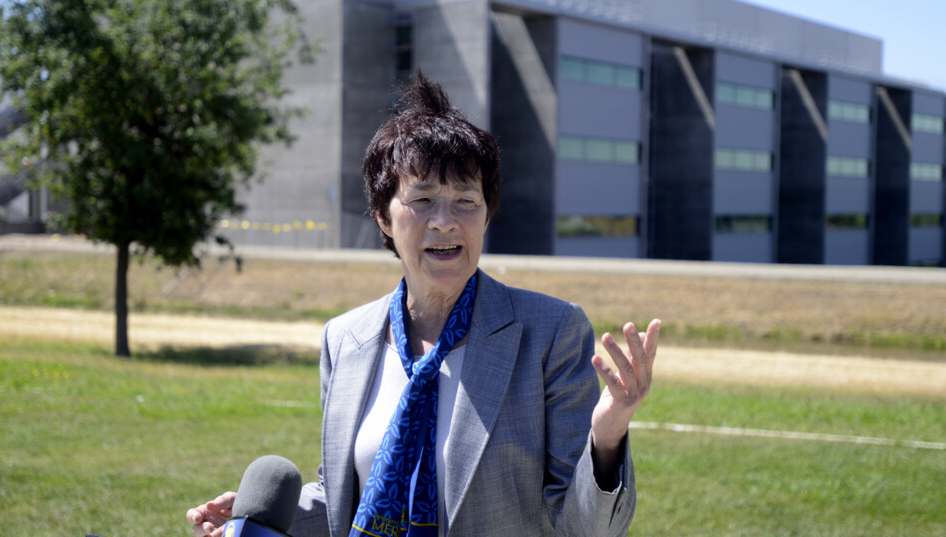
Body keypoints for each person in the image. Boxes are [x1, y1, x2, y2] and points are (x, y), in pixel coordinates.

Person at [188, 72, 661, 537]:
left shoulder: (550, 332)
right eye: (423, 199)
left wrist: (607, 436)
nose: (445, 222)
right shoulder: (344, 339)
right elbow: (349, 498)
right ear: (383, 216)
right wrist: (260, 518)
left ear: (487, 214)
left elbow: (586, 528)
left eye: (465, 201)